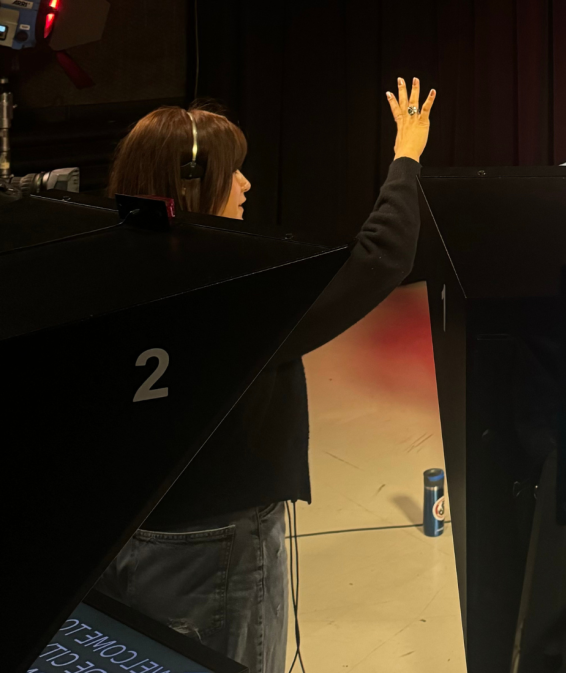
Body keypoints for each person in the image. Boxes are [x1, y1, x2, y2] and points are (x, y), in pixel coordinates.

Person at [93, 77, 436, 673]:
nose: (248, 184)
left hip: (126, 534)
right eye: (235, 171)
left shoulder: (103, 266)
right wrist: (406, 158)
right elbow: (381, 256)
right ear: (192, 182)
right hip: (218, 545)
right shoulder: (237, 291)